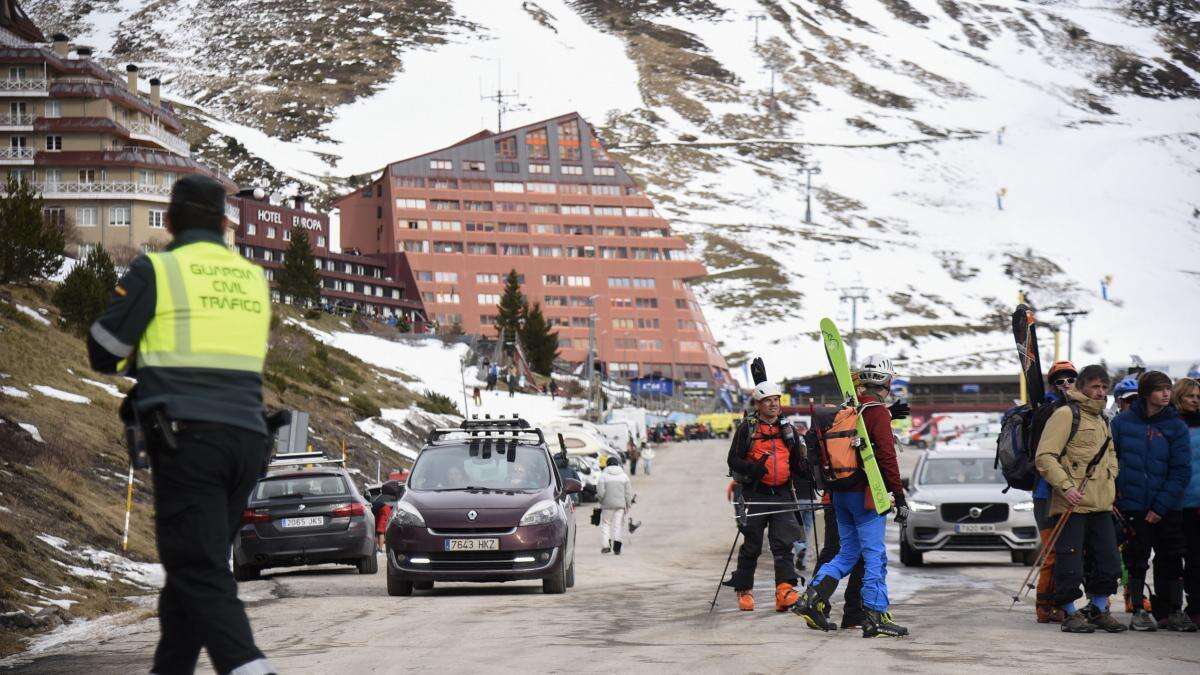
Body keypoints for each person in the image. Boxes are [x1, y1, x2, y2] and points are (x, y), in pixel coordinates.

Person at [86, 174, 276, 674]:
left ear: (168, 222)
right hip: (250, 443)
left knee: (197, 568)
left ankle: (248, 665)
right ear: (223, 223)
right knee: (189, 582)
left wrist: (141, 362)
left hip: (191, 441)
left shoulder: (159, 269)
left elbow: (104, 351)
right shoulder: (252, 279)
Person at [795, 355, 908, 637]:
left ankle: (812, 598)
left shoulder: (850, 410)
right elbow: (886, 456)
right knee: (874, 556)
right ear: (888, 381)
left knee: (847, 553)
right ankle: (875, 614)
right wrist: (899, 495)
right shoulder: (877, 412)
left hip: (840, 493)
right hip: (866, 495)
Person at [1035, 365, 1125, 634]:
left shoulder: (1103, 419)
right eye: (1095, 387)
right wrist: (1065, 486)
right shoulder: (1065, 415)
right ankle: (1070, 612)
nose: (1100, 392)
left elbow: (1111, 456)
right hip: (1072, 503)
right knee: (1069, 561)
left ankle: (1098, 608)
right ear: (1082, 386)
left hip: (1101, 503)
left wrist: (1111, 480)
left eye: (1104, 387)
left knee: (1108, 560)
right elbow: (1045, 456)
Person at [1111, 371, 1195, 632]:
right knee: (1137, 558)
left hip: (1168, 506)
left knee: (1172, 557)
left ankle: (1174, 611)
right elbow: (1112, 463)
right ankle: (1138, 609)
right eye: (1160, 389)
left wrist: (1161, 506)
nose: (1166, 394)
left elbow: (1181, 469)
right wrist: (1119, 496)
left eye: (1168, 388)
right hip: (1133, 503)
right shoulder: (1122, 423)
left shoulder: (1176, 426)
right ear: (1147, 393)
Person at [723, 382, 807, 613]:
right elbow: (733, 460)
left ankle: (784, 591)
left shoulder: (787, 429)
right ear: (759, 404)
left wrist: (804, 465)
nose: (773, 404)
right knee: (752, 545)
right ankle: (745, 590)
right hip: (755, 494)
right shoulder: (747, 428)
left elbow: (798, 464)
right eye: (768, 400)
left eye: (776, 400)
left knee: (783, 545)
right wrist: (752, 469)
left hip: (782, 493)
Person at [1029, 359, 1077, 624]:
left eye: (1071, 379)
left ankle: (1062, 603)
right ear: (1052, 385)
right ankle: (1044, 606)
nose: (1066, 385)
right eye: (1061, 381)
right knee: (1051, 553)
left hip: (1072, 493)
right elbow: (1043, 456)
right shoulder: (1046, 413)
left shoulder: (1080, 410)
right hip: (1046, 494)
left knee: (1068, 551)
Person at [1172, 378, 1200, 627]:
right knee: (1173, 557)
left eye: (1198, 397)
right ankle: (1171, 608)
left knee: (1196, 558)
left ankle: (1195, 606)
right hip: (1176, 501)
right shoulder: (1170, 423)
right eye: (1190, 396)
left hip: (1197, 502)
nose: (1195, 400)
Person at [596, 456, 633, 554]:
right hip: (620, 506)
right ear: (617, 464)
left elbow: (600, 492)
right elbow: (628, 493)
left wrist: (600, 500)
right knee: (617, 526)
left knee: (606, 525)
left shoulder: (603, 476)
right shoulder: (624, 476)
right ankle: (617, 548)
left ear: (607, 464)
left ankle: (606, 546)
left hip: (607, 505)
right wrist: (628, 504)